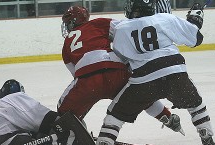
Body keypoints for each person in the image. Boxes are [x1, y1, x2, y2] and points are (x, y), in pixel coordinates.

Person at [90, 0, 215, 145]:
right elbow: (195, 38)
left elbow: (124, 58)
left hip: (144, 80)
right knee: (195, 105)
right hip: (174, 73)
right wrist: (196, 18)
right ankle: (208, 140)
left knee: (116, 114)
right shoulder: (164, 18)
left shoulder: (121, 30)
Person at [58, 5, 183, 135]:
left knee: (64, 111)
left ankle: (77, 136)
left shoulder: (66, 44)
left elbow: (76, 73)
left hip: (88, 80)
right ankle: (167, 117)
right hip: (115, 71)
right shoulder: (99, 23)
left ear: (73, 21)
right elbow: (126, 30)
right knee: (141, 93)